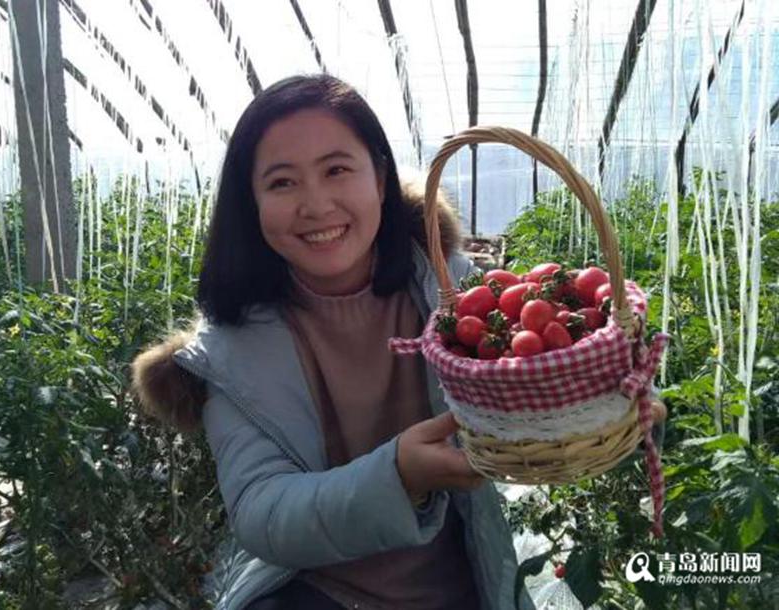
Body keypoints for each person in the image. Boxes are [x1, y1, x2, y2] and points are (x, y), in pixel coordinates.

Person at [132, 74, 664, 610]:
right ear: (251, 203)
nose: (315, 204)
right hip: (319, 596)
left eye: (336, 170)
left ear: (381, 178)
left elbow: (530, 381)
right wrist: (399, 476)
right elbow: (262, 512)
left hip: (471, 579)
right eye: (282, 182)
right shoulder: (230, 350)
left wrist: (603, 393)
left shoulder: (448, 290)